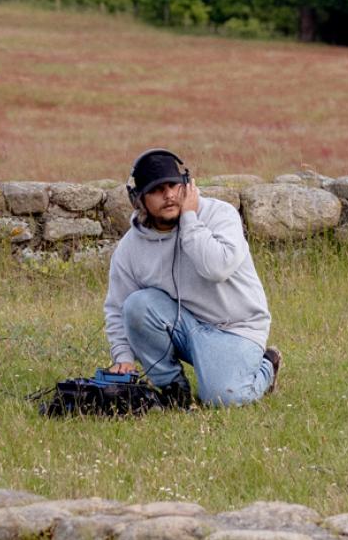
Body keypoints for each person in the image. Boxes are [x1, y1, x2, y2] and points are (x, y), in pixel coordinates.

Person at [104, 148, 279, 408]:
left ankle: (268, 366)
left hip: (236, 329)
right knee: (137, 305)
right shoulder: (130, 247)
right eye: (156, 190)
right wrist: (123, 358)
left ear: (188, 185)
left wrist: (189, 218)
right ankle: (174, 389)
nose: (169, 195)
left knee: (224, 398)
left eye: (174, 185)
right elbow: (118, 309)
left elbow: (216, 269)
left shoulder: (221, 215)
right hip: (184, 328)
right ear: (138, 199)